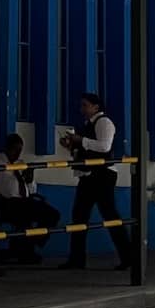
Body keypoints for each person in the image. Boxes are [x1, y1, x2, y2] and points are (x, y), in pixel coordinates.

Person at [59, 94, 131, 271]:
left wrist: (80, 140)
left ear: (96, 107)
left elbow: (104, 146)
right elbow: (87, 149)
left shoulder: (104, 122)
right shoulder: (87, 125)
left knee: (109, 215)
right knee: (79, 216)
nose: (82, 109)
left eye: (85, 105)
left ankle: (129, 256)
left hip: (102, 175)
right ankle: (77, 259)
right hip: (88, 175)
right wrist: (71, 145)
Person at [0, 133, 60, 264]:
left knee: (53, 215)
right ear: (7, 148)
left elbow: (31, 190)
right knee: (23, 218)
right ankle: (24, 251)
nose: (18, 154)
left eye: (20, 150)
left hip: (25, 201)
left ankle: (33, 242)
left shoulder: (21, 163)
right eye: (15, 149)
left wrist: (30, 180)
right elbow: (1, 186)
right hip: (7, 202)